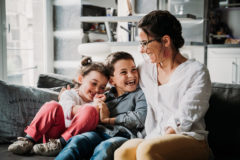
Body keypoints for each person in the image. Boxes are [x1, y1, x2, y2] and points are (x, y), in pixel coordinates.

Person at [114, 10, 212, 160]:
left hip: (190, 139)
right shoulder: (145, 69)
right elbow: (122, 82)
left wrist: (155, 141)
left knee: (147, 149)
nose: (141, 50)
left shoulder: (197, 72)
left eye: (145, 43)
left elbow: (183, 119)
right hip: (155, 137)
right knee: (123, 152)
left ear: (165, 41)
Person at [8, 57, 109, 156]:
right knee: (52, 105)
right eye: (94, 83)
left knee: (90, 110)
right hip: (53, 136)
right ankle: (29, 140)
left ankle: (61, 144)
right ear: (80, 79)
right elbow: (67, 110)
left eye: (102, 87)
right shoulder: (69, 94)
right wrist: (91, 107)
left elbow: (100, 122)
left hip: (69, 141)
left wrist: (97, 106)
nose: (97, 90)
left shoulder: (99, 102)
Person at [55, 51, 147, 160]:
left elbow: (140, 118)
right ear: (112, 81)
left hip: (123, 136)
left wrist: (109, 120)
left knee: (105, 147)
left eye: (133, 69)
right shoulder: (104, 95)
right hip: (99, 132)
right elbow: (87, 110)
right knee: (78, 140)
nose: (131, 75)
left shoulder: (140, 94)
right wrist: (65, 96)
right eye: (123, 72)